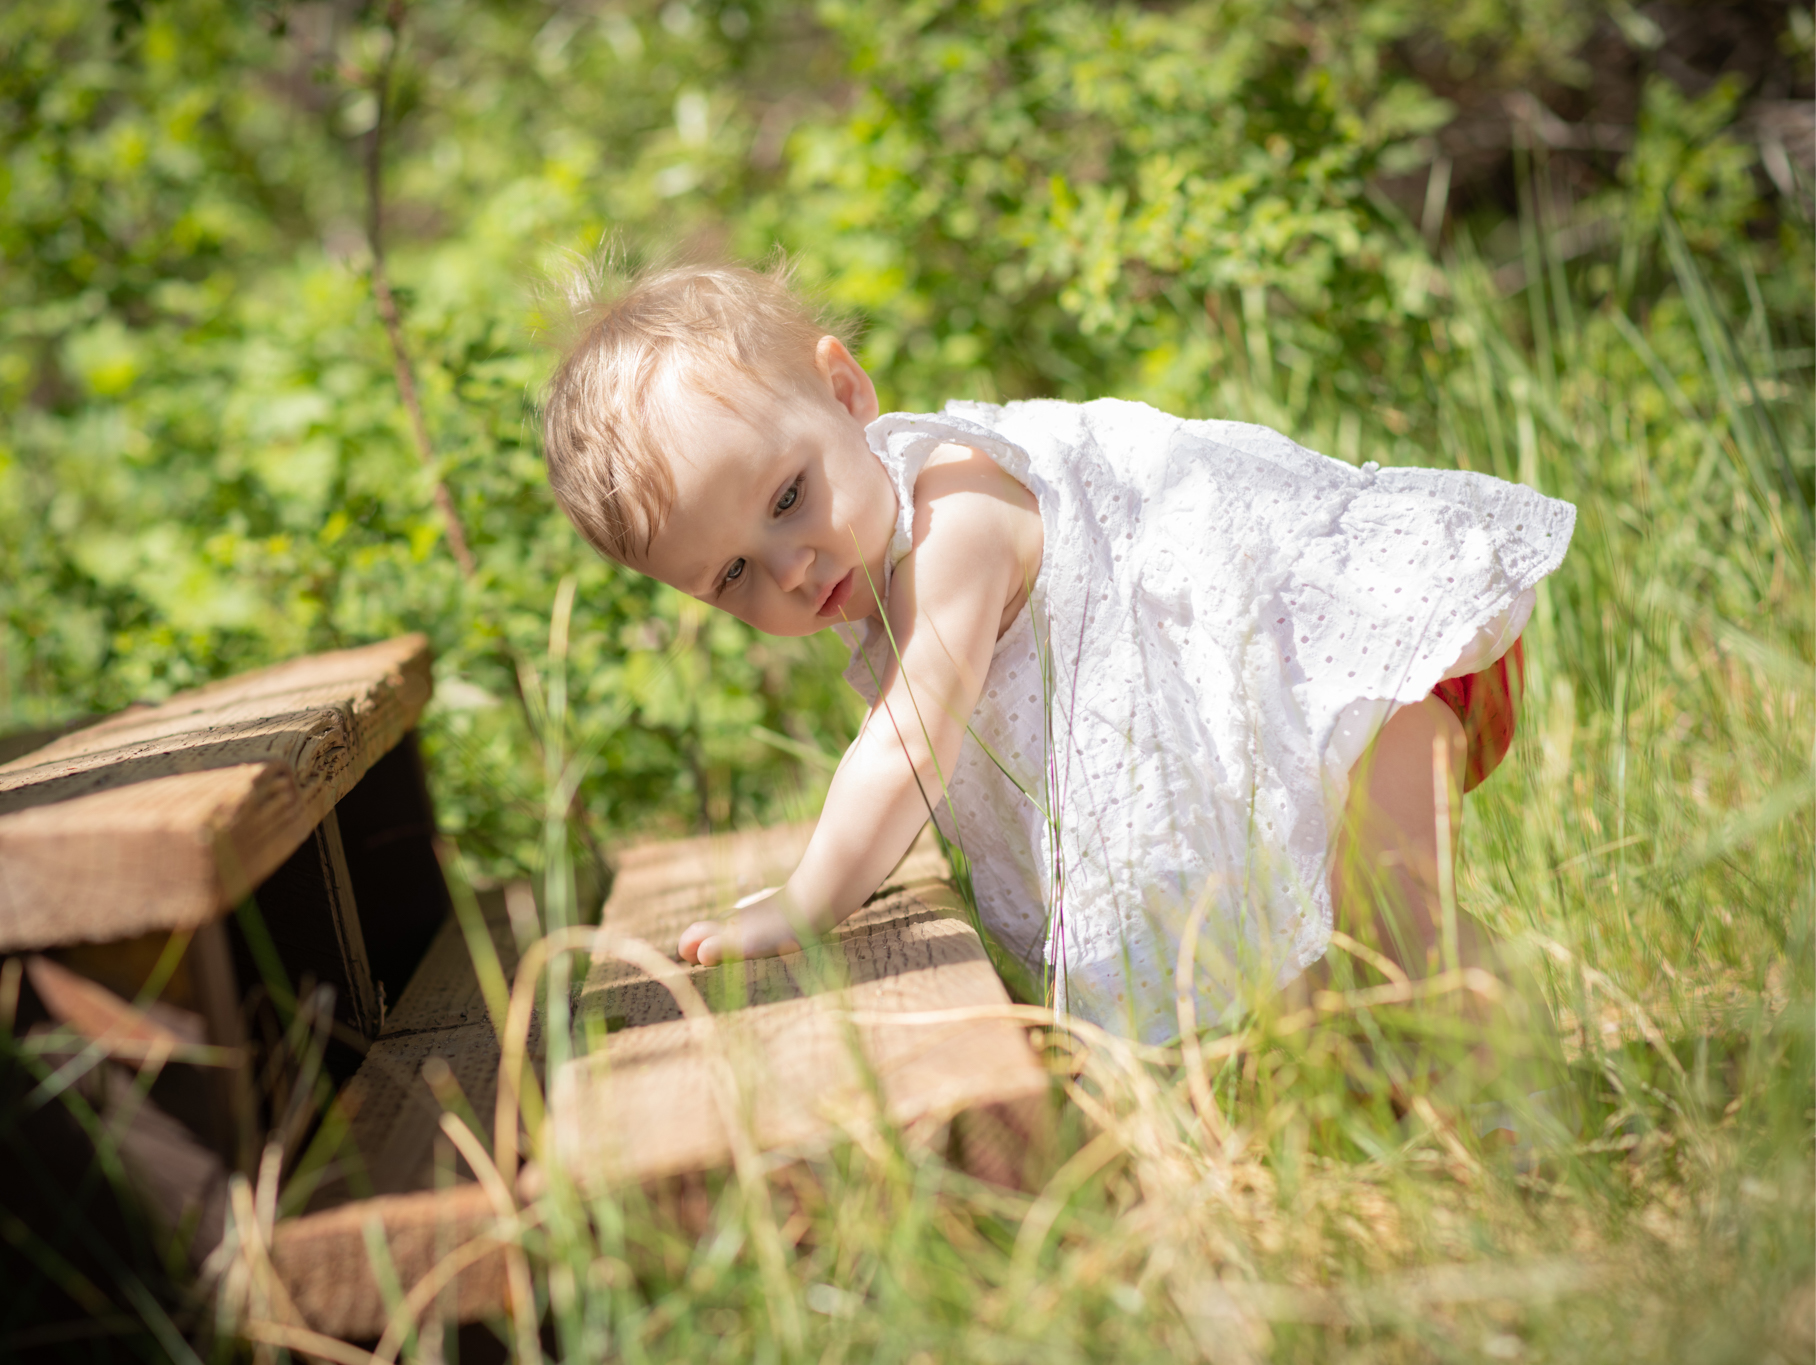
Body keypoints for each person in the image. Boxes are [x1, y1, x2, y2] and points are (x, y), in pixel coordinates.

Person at [541, 258, 1573, 1043]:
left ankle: (1519, 1093)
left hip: (1340, 668)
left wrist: (814, 899)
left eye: (785, 498)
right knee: (1327, 959)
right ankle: (1426, 1092)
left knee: (1397, 940)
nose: (790, 569)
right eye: (730, 577)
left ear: (847, 393)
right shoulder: (877, 546)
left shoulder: (955, 512)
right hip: (1271, 711)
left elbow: (910, 740)